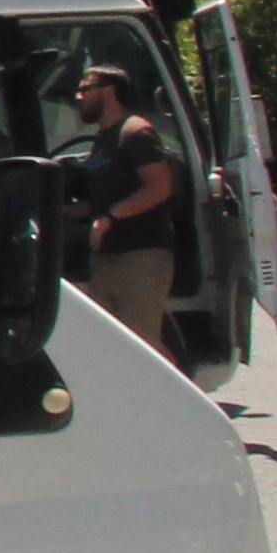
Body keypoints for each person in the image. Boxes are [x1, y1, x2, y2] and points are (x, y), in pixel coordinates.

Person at [67, 66, 184, 354]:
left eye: (84, 90)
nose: (78, 97)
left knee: (142, 346)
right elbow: (107, 197)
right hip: (106, 258)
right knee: (111, 345)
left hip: (140, 258)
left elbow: (159, 187)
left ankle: (171, 384)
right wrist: (67, 213)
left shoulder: (135, 132)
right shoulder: (103, 138)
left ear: (108, 91)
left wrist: (110, 217)